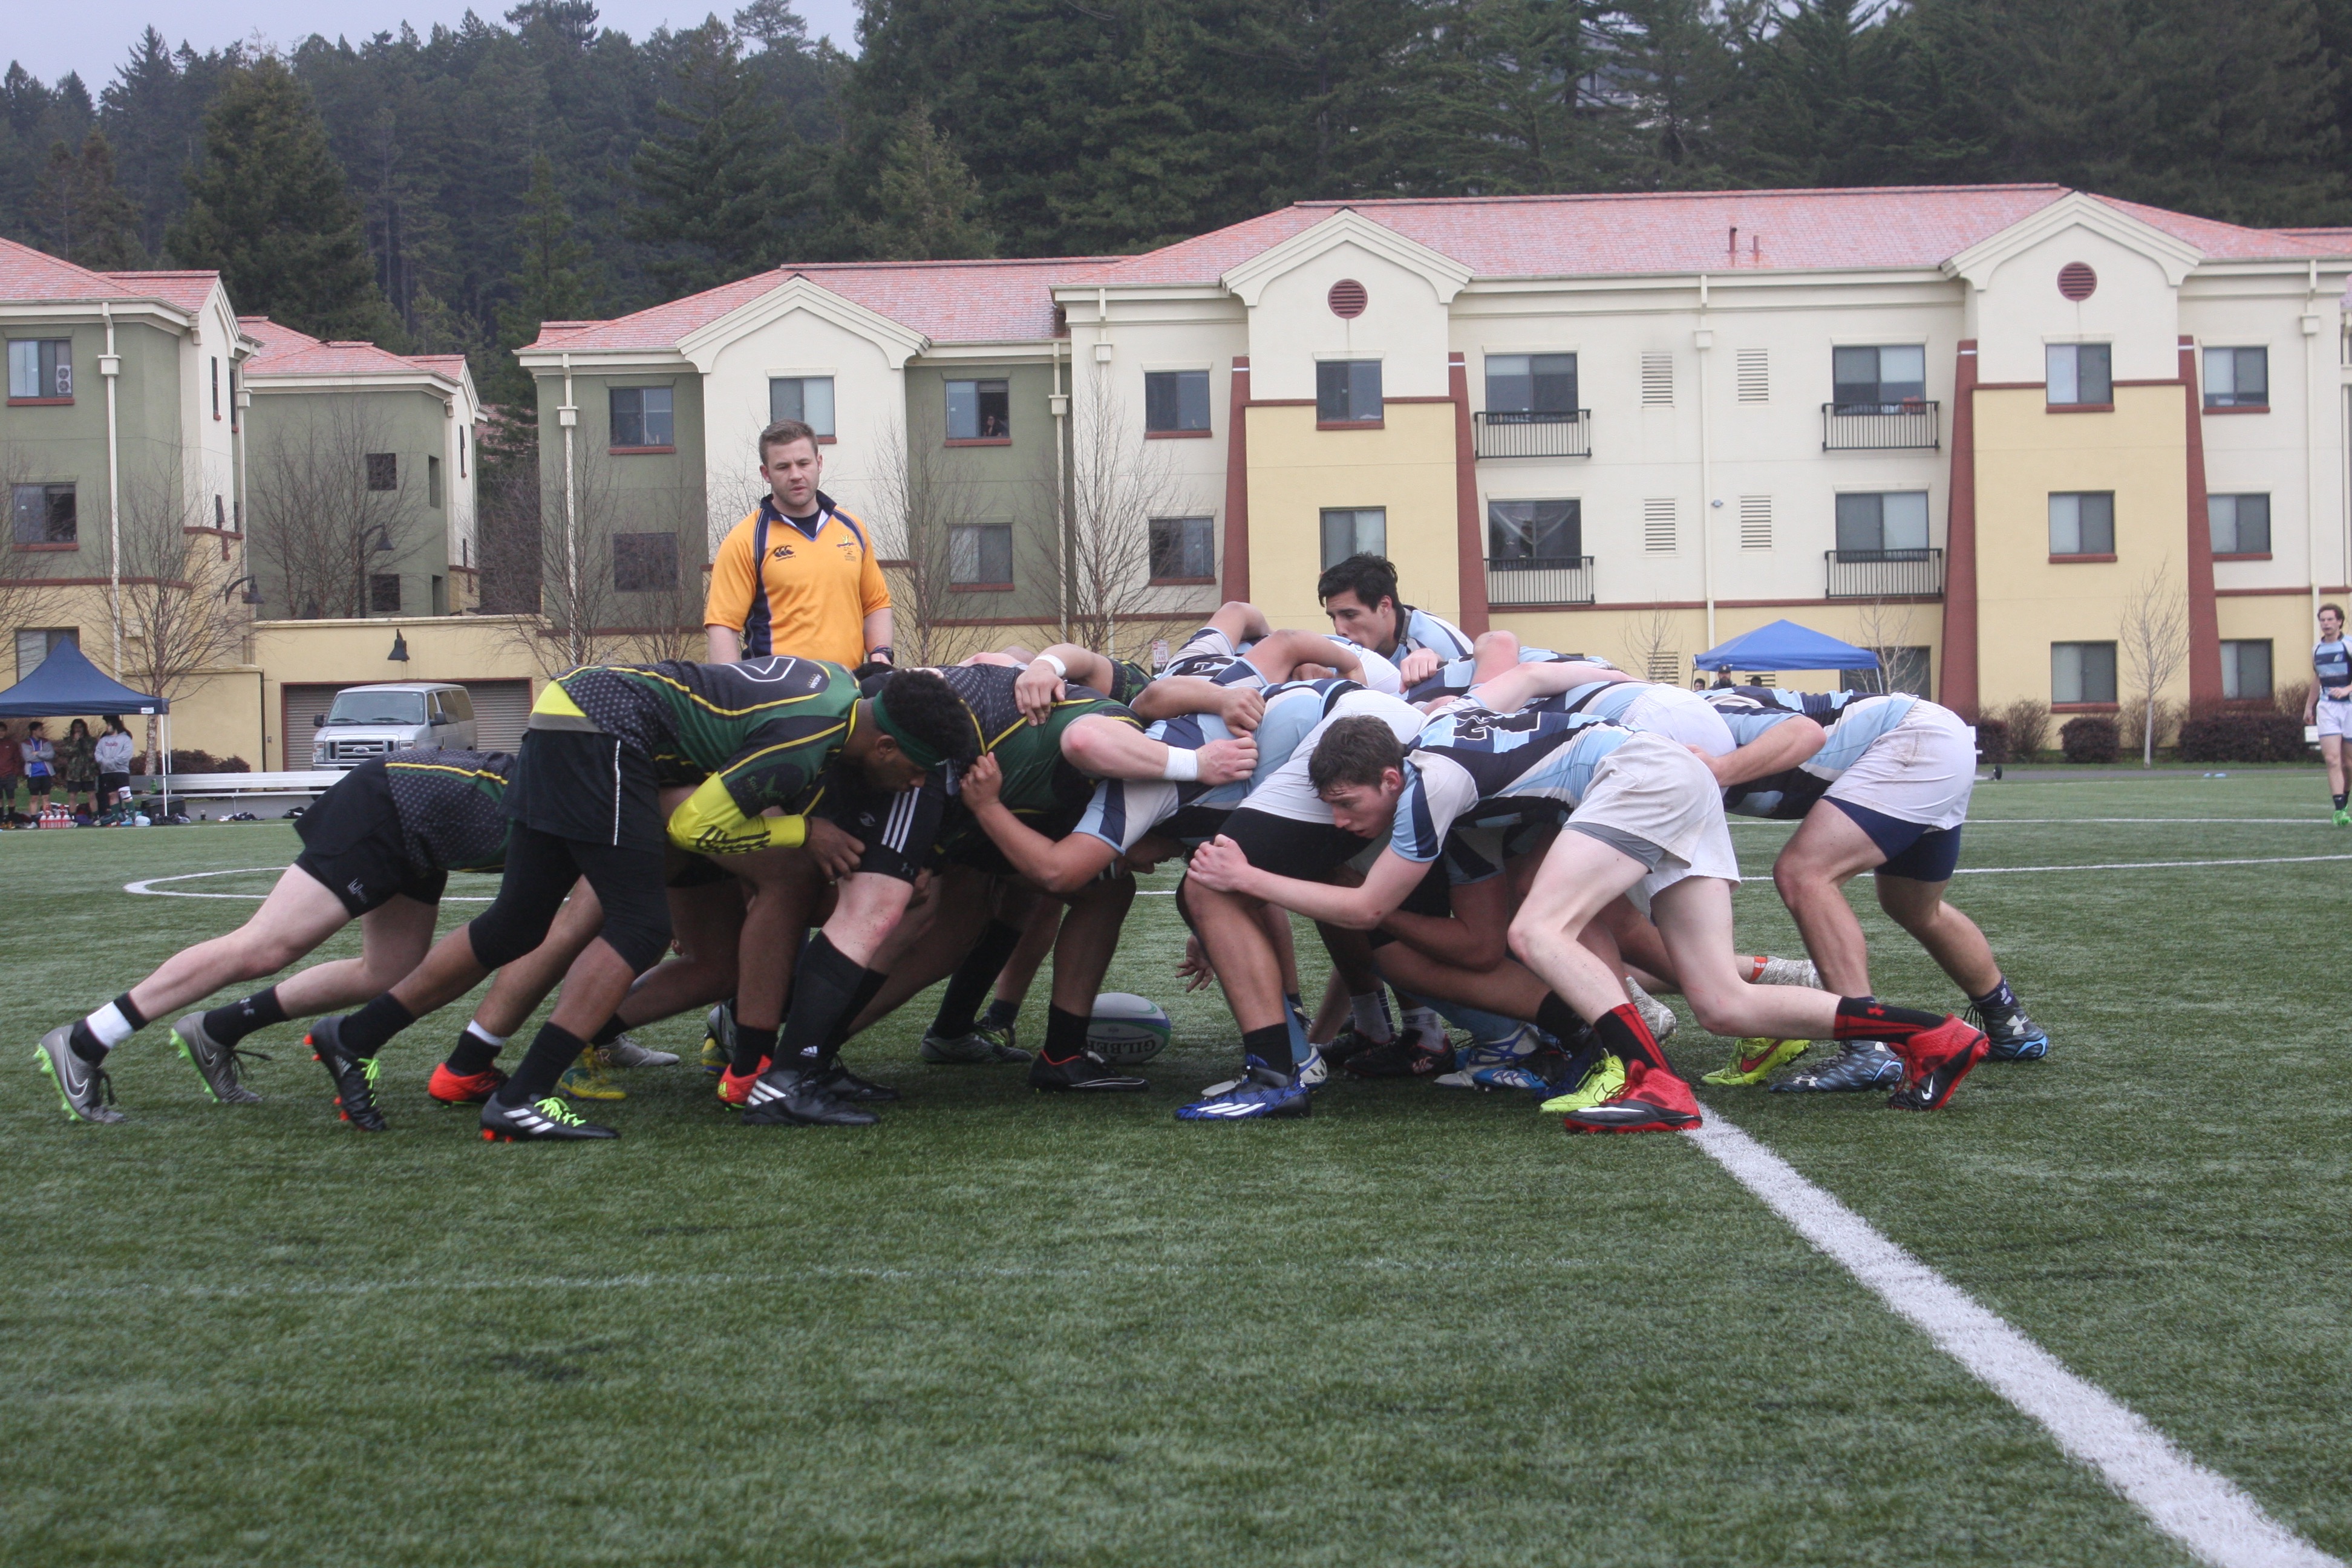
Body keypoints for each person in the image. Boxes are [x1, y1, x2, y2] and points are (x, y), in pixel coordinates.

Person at [302, 658, 979, 1140]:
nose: (915, 784)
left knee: (516, 922)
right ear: (885, 746)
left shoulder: (834, 684)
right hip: (606, 732)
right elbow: (693, 826)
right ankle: (524, 1094)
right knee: (637, 925)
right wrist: (805, 829)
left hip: (566, 712)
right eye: (915, 771)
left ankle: (354, 1034)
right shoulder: (807, 747)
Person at [34, 750, 517, 1123]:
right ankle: (85, 1040)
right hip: (394, 804)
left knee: (388, 971)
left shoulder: (583, 786)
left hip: (429, 829)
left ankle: (217, 1029)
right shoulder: (580, 795)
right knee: (264, 947)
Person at [1699, 684, 2048, 1088]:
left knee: (1805, 874)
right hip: (1927, 739)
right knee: (1913, 906)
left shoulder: (1693, 714)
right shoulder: (1644, 729)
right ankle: (2011, 1025)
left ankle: (1867, 1047)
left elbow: (1804, 734)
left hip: (1911, 739)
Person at [704, 419, 892, 670]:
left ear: (819, 463)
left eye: (803, 463)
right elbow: (723, 627)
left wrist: (881, 653)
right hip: (779, 699)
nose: (796, 475)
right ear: (766, 473)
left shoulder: (852, 528)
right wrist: (731, 693)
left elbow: (876, 604)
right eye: (783, 467)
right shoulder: (745, 539)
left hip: (849, 689)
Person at [1317, 554, 1471, 689]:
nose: (1339, 629)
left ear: (1384, 606)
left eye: (1350, 615)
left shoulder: (1436, 643)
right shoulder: (1354, 647)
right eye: (1333, 617)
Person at [2307, 603, 2352, 825]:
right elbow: (2317, 679)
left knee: (2348, 763)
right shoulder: (2316, 649)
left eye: (2330, 620)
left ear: (2340, 621)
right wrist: (2309, 706)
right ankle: (2340, 811)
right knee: (2332, 759)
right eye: (2322, 620)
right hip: (2327, 707)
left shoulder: (2348, 645)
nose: (2326, 624)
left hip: (2350, 707)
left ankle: (2346, 797)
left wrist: (2347, 689)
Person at [94, 717, 134, 814]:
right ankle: (116, 819)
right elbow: (98, 753)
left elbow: (126, 754)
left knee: (125, 794)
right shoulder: (103, 740)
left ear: (115, 726)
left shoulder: (125, 739)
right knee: (112, 795)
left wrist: (113, 761)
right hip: (107, 772)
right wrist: (104, 761)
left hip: (121, 771)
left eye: (109, 725)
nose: (107, 727)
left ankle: (133, 817)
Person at [60, 719, 97, 817]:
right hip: (74, 773)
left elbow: (93, 755)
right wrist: (75, 741)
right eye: (76, 727)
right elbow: (67, 752)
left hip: (88, 772)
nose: (78, 730)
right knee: (72, 795)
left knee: (91, 794)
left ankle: (95, 816)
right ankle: (72, 816)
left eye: (80, 727)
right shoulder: (68, 741)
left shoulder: (91, 741)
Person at [22, 721, 54, 811]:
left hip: (46, 773)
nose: (43, 732)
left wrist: (37, 753)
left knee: (46, 798)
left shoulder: (46, 742)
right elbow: (28, 758)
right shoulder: (26, 743)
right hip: (33, 774)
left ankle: (47, 818)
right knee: (34, 798)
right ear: (34, 731)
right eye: (41, 730)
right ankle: (33, 820)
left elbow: (51, 755)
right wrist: (44, 756)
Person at [0, 720, 22, 823]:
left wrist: (14, 772)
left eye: (3, 731)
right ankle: (1, 819)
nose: (1, 733)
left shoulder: (12, 744)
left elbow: (17, 760)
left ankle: (11, 818)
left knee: (11, 798)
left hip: (10, 775)